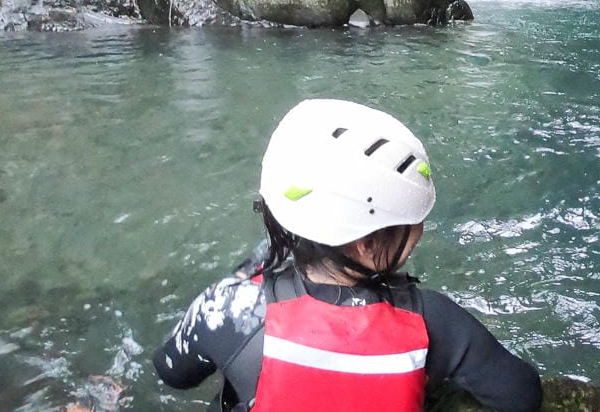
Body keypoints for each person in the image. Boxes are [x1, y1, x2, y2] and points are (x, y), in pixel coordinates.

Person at [152, 98, 542, 412]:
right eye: (412, 223)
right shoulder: (433, 321)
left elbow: (172, 372)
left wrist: (236, 285)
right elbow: (521, 394)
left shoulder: (228, 309)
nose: (421, 230)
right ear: (364, 245)